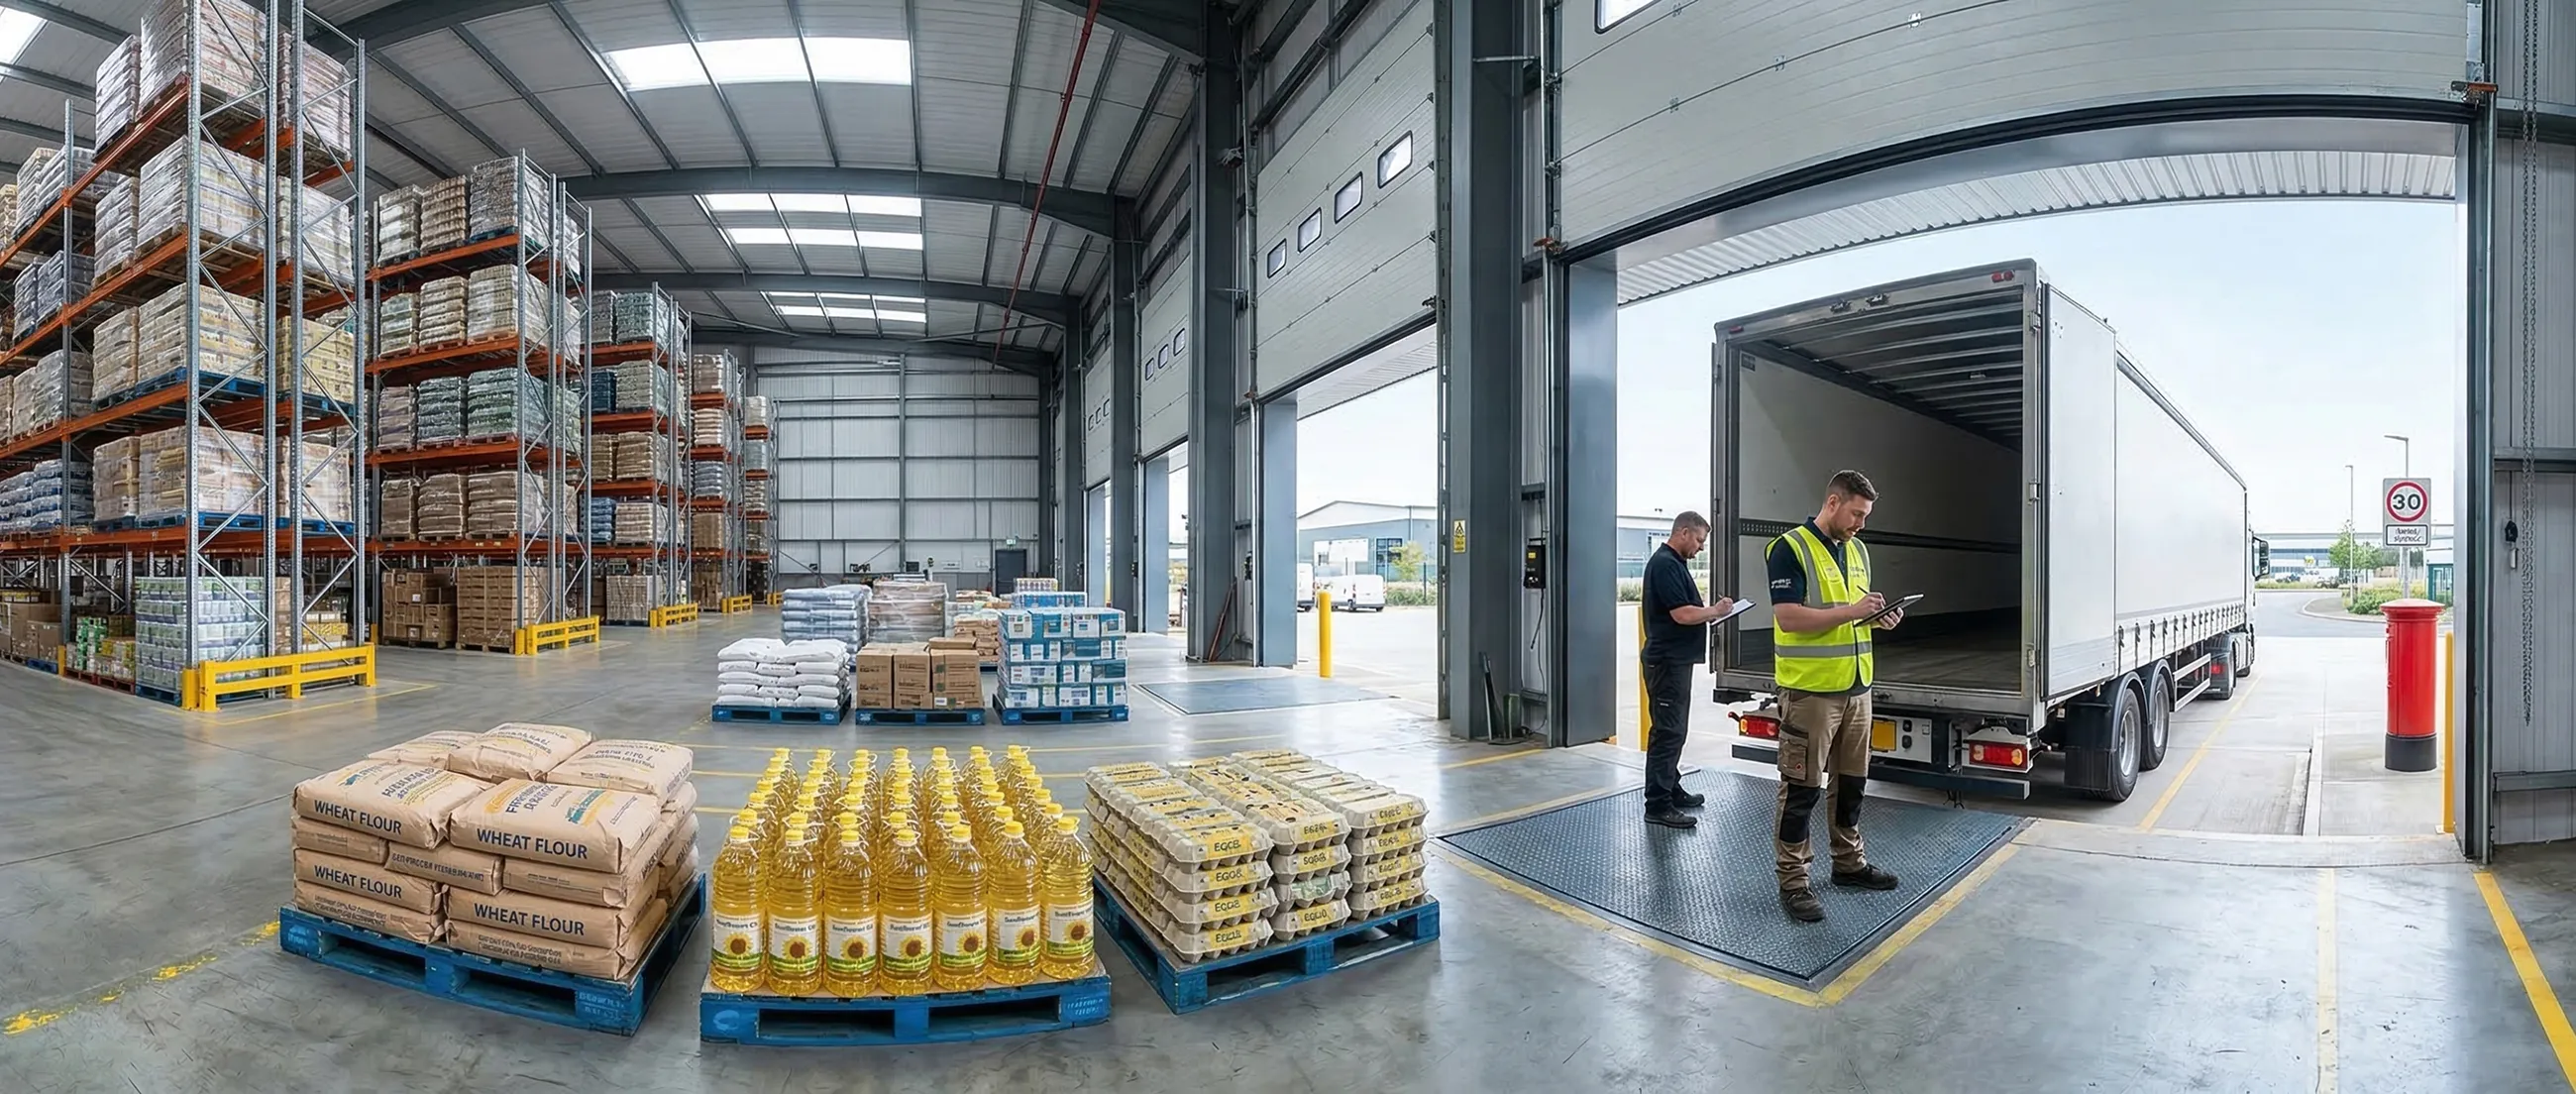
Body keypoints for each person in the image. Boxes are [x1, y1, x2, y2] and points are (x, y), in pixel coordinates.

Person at [1765, 470, 1903, 923]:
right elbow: (1789, 618)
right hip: (1810, 693)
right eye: (1856, 513)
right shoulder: (1789, 548)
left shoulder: (1857, 550)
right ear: (1832, 502)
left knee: (1851, 786)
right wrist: (1851, 611)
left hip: (1857, 688)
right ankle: (1794, 881)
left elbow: (1851, 614)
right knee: (1802, 789)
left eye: (1866, 515)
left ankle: (1848, 864)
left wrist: (1878, 617)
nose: (1861, 523)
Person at [1639, 511, 1744, 829]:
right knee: (1668, 733)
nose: (1700, 548)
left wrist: (1712, 612)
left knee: (1675, 730)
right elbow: (1682, 615)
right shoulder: (1666, 564)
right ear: (1683, 532)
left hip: (1675, 662)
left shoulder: (1674, 564)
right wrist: (1714, 611)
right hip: (1666, 662)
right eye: (1699, 540)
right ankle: (1658, 804)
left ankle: (1670, 787)